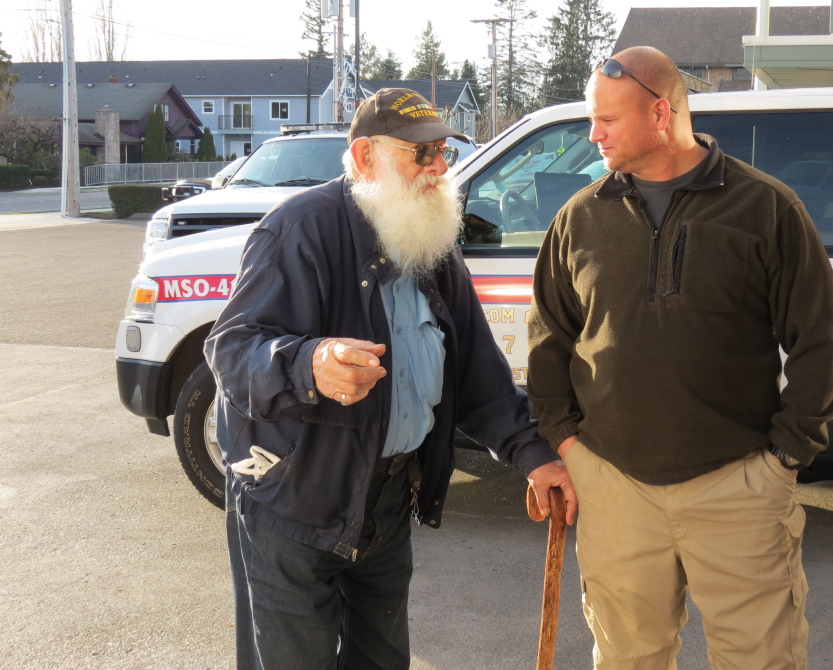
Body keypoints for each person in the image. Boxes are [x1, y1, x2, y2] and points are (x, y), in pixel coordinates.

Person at [205, 88, 576, 670]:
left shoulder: (432, 243)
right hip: (292, 502)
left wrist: (534, 455)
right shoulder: (299, 230)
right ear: (363, 156)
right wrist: (310, 364)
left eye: (443, 153)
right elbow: (231, 350)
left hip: (383, 503)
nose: (438, 168)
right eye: (419, 153)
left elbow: (476, 371)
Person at [527, 47, 833, 670]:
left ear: (660, 112)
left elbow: (819, 342)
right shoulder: (579, 218)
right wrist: (566, 445)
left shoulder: (766, 208)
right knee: (627, 659)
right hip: (614, 487)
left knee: (761, 660)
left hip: (739, 488)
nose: (592, 135)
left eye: (607, 120)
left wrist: (785, 458)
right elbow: (549, 342)